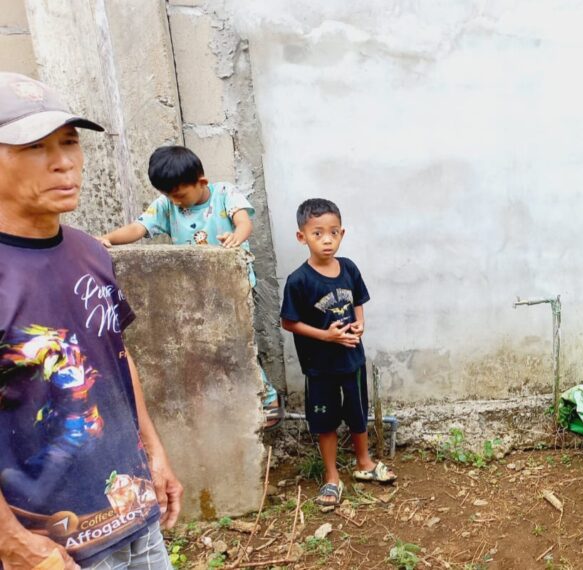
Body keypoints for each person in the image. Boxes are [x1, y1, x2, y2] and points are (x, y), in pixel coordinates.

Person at [0, 71, 182, 569]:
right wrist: (12, 542)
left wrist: (153, 451)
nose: (64, 163)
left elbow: (116, 355)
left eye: (70, 142)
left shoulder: (89, 252)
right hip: (51, 545)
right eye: (35, 147)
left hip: (132, 511)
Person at [99, 146, 281, 428]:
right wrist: (106, 238)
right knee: (204, 350)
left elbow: (244, 222)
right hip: (191, 293)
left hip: (232, 289)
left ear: (202, 182)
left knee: (237, 342)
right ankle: (217, 404)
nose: (176, 201)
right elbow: (138, 228)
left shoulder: (224, 193)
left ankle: (267, 398)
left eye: (180, 194)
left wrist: (236, 236)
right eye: (169, 195)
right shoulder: (166, 205)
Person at [281, 198, 395, 512]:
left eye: (333, 232)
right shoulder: (298, 281)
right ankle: (332, 476)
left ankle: (365, 462)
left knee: (358, 414)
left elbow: (358, 300)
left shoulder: (349, 268)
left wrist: (361, 324)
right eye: (318, 233)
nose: (327, 239)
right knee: (325, 422)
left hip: (351, 361)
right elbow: (288, 322)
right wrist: (325, 335)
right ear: (301, 237)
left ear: (342, 233)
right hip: (320, 368)